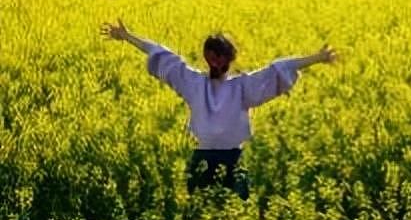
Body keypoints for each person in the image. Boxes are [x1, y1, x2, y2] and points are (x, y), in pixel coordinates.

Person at [100, 18, 337, 200]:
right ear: (229, 59)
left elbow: (162, 55)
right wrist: (317, 58)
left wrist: (127, 36)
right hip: (225, 159)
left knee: (209, 211)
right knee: (216, 211)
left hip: (214, 158)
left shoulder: (196, 82)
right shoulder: (237, 86)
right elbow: (279, 69)